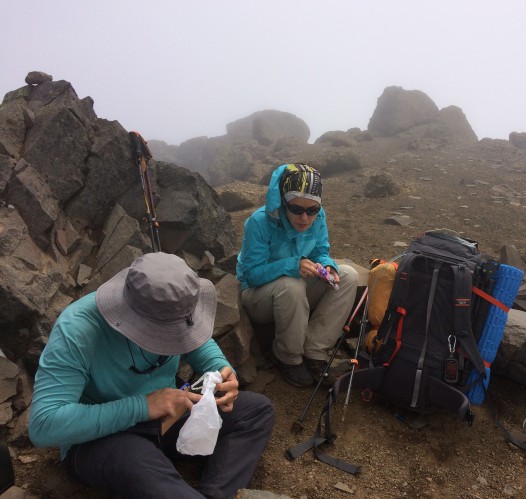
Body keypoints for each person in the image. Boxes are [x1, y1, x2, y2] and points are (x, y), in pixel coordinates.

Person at [29, 252, 275, 499]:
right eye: (161, 335)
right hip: (104, 437)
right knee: (134, 461)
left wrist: (219, 369)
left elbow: (194, 338)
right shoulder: (78, 330)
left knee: (256, 411)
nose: (169, 342)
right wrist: (143, 406)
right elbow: (44, 425)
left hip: (169, 412)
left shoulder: (174, 307)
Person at [236, 163, 359, 387]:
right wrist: (293, 265)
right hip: (257, 297)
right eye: (296, 209)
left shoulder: (318, 216)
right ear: (284, 202)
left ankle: (315, 352)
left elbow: (320, 251)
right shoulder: (259, 222)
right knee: (291, 285)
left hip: (294, 287)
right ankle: (288, 357)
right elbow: (251, 274)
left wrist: (328, 266)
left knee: (348, 276)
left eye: (312, 210)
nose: (305, 217)